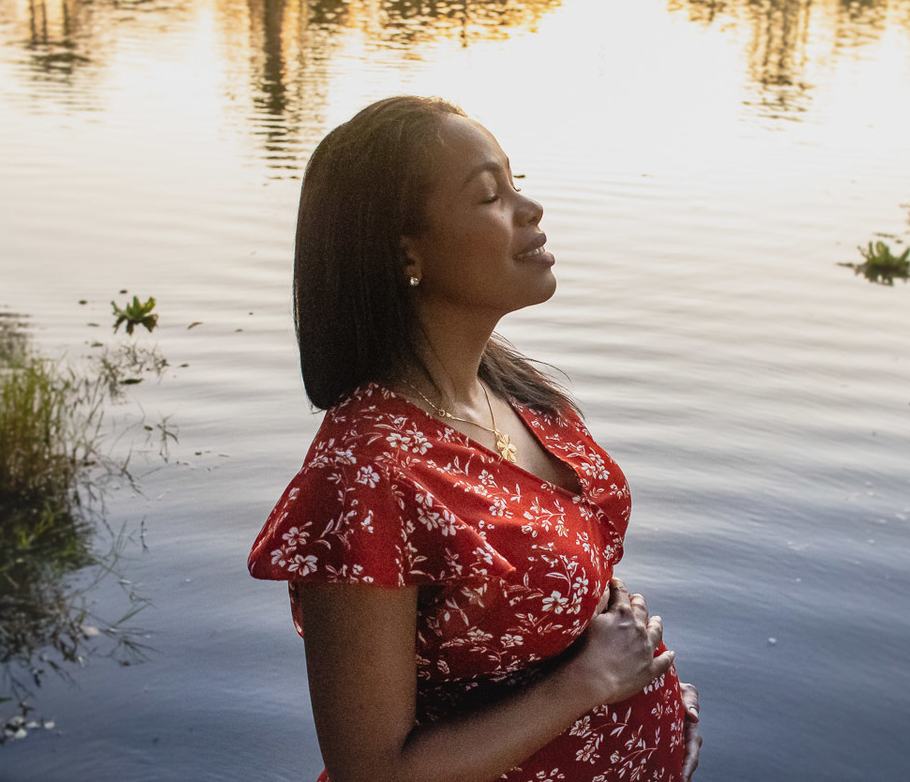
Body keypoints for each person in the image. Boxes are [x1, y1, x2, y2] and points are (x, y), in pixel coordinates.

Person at [247, 95, 703, 782]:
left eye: (517, 182)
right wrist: (591, 685)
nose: (530, 209)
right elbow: (371, 771)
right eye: (490, 195)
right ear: (407, 250)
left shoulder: (514, 390)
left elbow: (545, 591)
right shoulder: (367, 474)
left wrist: (647, 695)